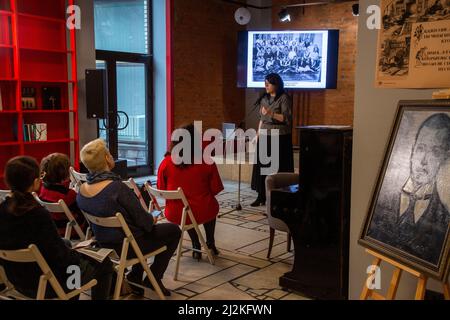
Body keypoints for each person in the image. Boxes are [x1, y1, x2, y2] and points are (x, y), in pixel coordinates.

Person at [76, 139, 181, 296]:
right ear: (106, 158)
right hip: (126, 247)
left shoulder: (81, 190)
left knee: (136, 230)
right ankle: (154, 278)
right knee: (173, 230)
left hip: (103, 244)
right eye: (109, 153)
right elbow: (145, 223)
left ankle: (136, 276)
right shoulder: (117, 188)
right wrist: (151, 219)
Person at [0, 156, 114, 300]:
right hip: (49, 284)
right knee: (104, 265)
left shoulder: (3, 210)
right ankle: (72, 293)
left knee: (66, 243)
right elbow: (62, 258)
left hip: (18, 281)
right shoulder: (38, 214)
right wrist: (79, 254)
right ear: (35, 182)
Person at [369, 114, 450, 265]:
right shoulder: (382, 198)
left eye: (435, 152)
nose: (423, 161)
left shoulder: (444, 219)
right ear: (412, 151)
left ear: (444, 159)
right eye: (421, 148)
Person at [157, 124, 224, 261]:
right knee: (209, 205)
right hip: (202, 210)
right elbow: (216, 189)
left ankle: (195, 245)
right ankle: (210, 243)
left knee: (185, 210)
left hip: (176, 212)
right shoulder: (206, 161)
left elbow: (161, 189)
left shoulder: (165, 163)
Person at [251, 73, 294, 207]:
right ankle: (261, 196)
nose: (266, 86)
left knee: (275, 168)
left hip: (279, 136)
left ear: (276, 84)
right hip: (264, 134)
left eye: (268, 83)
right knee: (263, 167)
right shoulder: (264, 98)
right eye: (265, 83)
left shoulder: (284, 98)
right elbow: (261, 119)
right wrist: (257, 135)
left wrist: (271, 113)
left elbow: (286, 119)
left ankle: (276, 197)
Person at [39, 153, 87, 238]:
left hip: (54, 229)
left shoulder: (43, 189)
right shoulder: (68, 195)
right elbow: (82, 210)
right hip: (72, 230)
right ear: (64, 172)